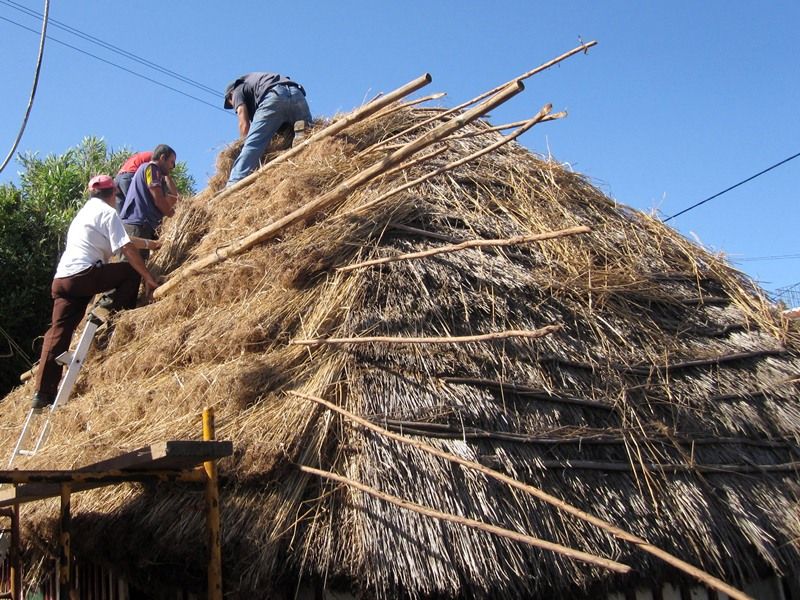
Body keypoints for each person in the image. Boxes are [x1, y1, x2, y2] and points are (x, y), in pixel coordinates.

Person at [32, 175, 161, 409]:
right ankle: (118, 316)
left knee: (58, 334)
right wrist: (147, 276)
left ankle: (43, 393)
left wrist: (149, 244)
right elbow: (125, 248)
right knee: (130, 271)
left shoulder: (85, 214)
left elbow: (123, 238)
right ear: (113, 194)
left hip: (62, 280)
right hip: (84, 276)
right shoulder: (108, 212)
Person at [223, 72, 311, 186]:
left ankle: (234, 182)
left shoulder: (237, 90)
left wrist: (244, 145)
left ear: (230, 96)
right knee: (309, 134)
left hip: (274, 97)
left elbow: (243, 124)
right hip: (297, 94)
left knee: (253, 145)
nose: (233, 106)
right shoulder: (257, 83)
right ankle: (299, 135)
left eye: (231, 104)